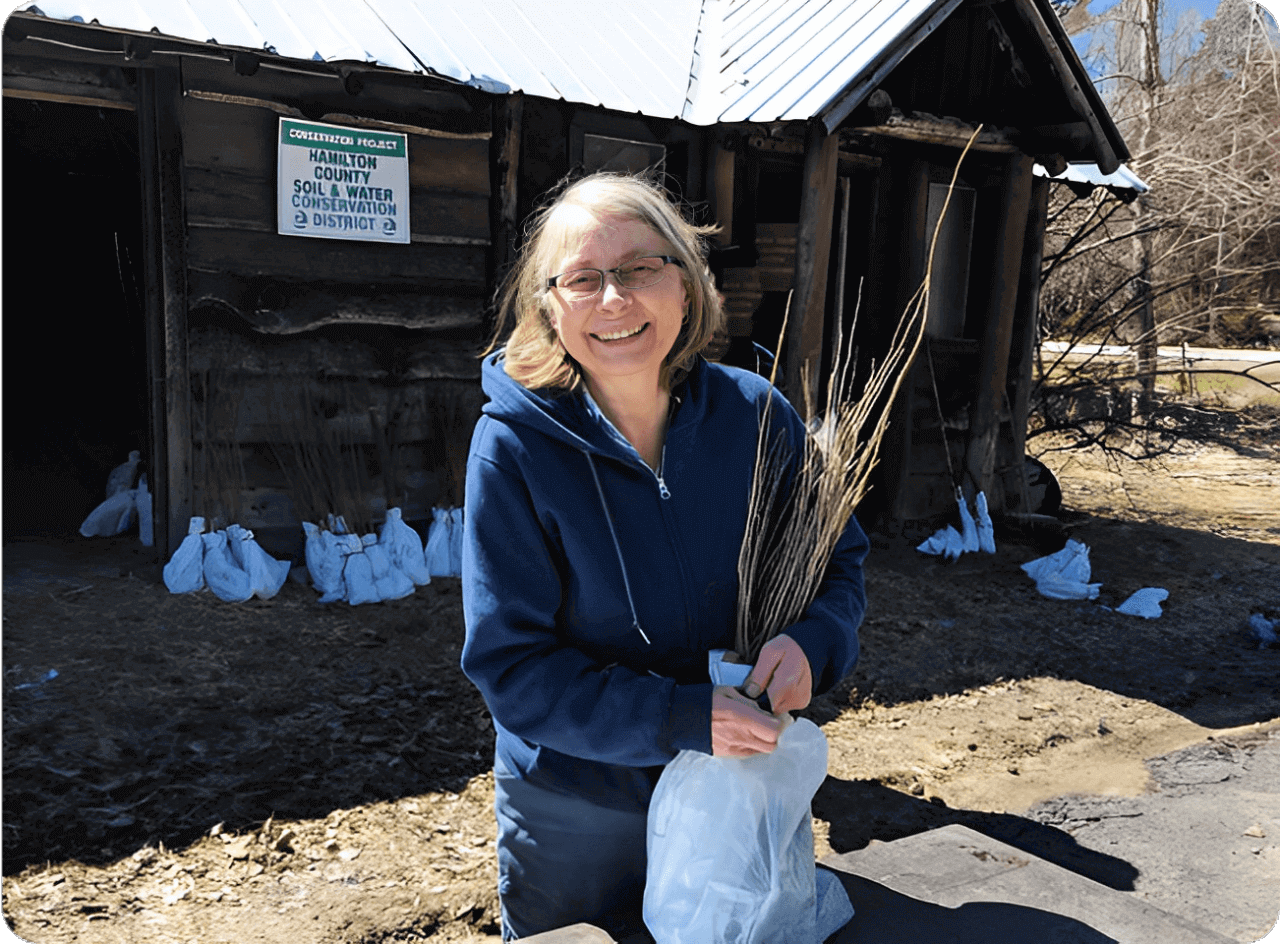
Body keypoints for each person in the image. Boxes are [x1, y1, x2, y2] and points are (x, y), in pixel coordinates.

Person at [461, 172, 869, 941]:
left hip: (738, 796)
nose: (614, 299)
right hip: (580, 820)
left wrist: (816, 643)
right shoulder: (513, 448)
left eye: (642, 268)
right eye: (584, 278)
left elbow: (836, 563)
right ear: (550, 306)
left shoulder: (754, 416)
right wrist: (677, 717)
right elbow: (513, 670)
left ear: (687, 286)